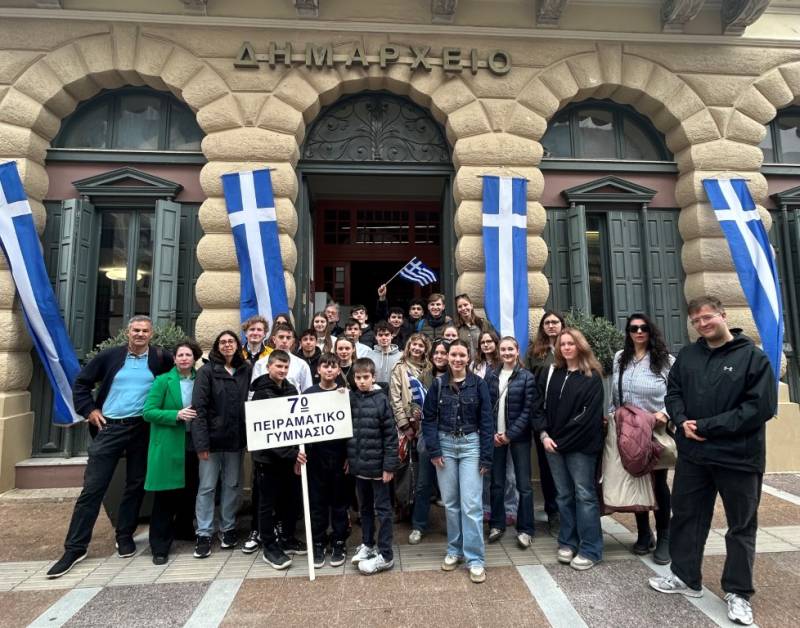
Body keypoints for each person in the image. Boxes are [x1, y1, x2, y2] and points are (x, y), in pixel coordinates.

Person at [648, 297, 777, 627]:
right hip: (693, 456)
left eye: (707, 318)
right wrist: (680, 420)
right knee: (687, 517)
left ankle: (738, 593)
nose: (702, 325)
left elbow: (758, 409)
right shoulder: (689, 355)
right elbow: (673, 391)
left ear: (723, 315)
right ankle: (685, 576)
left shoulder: (753, 358)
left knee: (740, 527)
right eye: (696, 321)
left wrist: (705, 426)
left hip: (739, 458)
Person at [47, 316, 174, 579]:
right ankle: (75, 548)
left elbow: (174, 383)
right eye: (136, 330)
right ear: (127, 332)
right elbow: (81, 383)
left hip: (142, 428)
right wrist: (89, 410)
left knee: (135, 484)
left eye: (145, 331)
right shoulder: (110, 357)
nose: (140, 334)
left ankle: (124, 535)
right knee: (93, 488)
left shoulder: (160, 358)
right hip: (109, 427)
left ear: (152, 334)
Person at [422, 340, 493, 584]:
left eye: (462, 355)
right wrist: (434, 449)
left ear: (469, 357)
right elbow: (428, 418)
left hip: (471, 444)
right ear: (447, 357)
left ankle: (475, 559)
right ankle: (454, 550)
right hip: (445, 446)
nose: (458, 359)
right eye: (454, 354)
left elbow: (487, 421)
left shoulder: (479, 384)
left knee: (471, 504)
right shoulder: (439, 384)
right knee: (451, 502)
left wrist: (486, 455)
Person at [606, 313, 675, 564]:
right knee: (636, 479)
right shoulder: (620, 359)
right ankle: (644, 534)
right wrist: (612, 415)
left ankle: (665, 535)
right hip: (628, 428)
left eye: (643, 328)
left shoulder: (666, 361)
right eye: (633, 328)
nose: (638, 332)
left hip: (654, 428)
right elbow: (615, 392)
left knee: (658, 482)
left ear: (650, 331)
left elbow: (677, 393)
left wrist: (665, 414)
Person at [534, 327, 604, 571]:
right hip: (552, 446)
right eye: (562, 344)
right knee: (563, 496)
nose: (565, 347)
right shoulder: (554, 373)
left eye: (570, 343)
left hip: (579, 448)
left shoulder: (592, 377)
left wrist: (560, 442)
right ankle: (568, 541)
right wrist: (544, 435)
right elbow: (539, 406)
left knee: (584, 495)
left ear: (580, 346)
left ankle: (591, 548)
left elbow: (587, 418)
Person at [142, 339, 203, 564]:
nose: (184, 359)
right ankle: (159, 546)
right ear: (175, 358)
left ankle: (184, 529)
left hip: (193, 443)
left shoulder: (201, 379)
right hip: (169, 443)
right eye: (180, 355)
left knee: (190, 490)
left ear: (194, 358)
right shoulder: (162, 381)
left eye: (188, 355)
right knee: (165, 496)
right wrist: (175, 415)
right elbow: (148, 412)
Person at [191, 330, 251, 559]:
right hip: (212, 441)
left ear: (237, 345)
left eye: (231, 342)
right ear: (217, 346)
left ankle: (228, 529)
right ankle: (204, 533)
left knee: (232, 485)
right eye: (223, 342)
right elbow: (199, 409)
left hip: (235, 440)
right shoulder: (206, 371)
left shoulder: (245, 369)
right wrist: (201, 443)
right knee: (207, 487)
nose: (227, 345)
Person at [249, 350, 308, 569]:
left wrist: (295, 454)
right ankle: (269, 547)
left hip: (289, 459)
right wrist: (291, 453)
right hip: (268, 460)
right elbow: (265, 433)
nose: (282, 371)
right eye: (278, 367)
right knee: (267, 505)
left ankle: (288, 538)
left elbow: (296, 426)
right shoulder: (261, 394)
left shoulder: (291, 389)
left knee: (290, 502)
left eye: (285, 367)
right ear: (268, 367)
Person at [348, 358, 399, 575]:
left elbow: (390, 437)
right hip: (359, 468)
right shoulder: (350, 399)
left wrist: (389, 467)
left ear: (373, 378)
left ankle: (386, 554)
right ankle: (368, 545)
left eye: (365, 377)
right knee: (365, 509)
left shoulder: (381, 401)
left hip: (379, 469)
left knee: (383, 511)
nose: (361, 381)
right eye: (357, 378)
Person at [485, 337, 537, 549]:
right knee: (497, 483)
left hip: (519, 439)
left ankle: (525, 529)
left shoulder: (527, 377)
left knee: (523, 485)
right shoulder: (491, 376)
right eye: (503, 349)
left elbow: (528, 411)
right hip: (495, 438)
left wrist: (509, 434)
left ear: (517, 351)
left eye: (510, 349)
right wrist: (493, 434)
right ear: (499, 352)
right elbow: (486, 407)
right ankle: (497, 524)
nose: (506, 352)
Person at [302, 353, 350, 568]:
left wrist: (349, 455)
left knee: (339, 503)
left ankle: (339, 541)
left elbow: (351, 428)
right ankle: (318, 542)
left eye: (333, 367)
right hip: (315, 457)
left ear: (338, 370)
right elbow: (300, 427)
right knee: (317, 503)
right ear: (318, 370)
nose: (329, 370)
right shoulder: (308, 394)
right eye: (325, 366)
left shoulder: (344, 394)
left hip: (339, 456)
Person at [388, 333, 433, 543]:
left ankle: (418, 511)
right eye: (413, 344)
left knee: (422, 472)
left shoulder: (430, 368)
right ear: (408, 346)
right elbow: (395, 397)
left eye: (420, 345)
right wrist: (404, 424)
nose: (416, 348)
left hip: (427, 427)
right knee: (404, 468)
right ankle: (403, 507)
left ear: (425, 349)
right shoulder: (400, 368)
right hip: (406, 426)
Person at [526, 310, 564, 536]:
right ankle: (553, 512)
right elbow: (530, 385)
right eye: (547, 323)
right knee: (547, 468)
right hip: (542, 418)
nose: (551, 326)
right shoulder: (535, 352)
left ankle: (569, 510)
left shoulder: (569, 347)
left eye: (555, 322)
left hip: (566, 419)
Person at [253, 323, 312, 394]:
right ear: (274, 339)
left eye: (288, 338)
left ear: (292, 341)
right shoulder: (260, 363)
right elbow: (252, 392)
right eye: (281, 337)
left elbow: (308, 392)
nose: (284, 341)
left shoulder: (302, 364)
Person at [454, 293, 494, 358]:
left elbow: (493, 342)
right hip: (464, 364)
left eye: (465, 305)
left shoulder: (483, 323)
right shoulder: (456, 327)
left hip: (482, 363)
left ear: (471, 306)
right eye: (460, 306)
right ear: (457, 310)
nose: (463, 308)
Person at [365, 322, 402, 389]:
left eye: (387, 335)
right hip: (375, 395)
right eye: (380, 335)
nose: (384, 338)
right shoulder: (369, 356)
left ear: (392, 336)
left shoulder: (401, 356)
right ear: (376, 337)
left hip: (395, 396)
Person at [375, 284, 408, 348]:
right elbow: (381, 311)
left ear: (403, 321)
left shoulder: (407, 333)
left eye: (399, 317)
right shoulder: (382, 331)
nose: (396, 319)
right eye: (393, 317)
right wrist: (382, 297)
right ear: (388, 319)